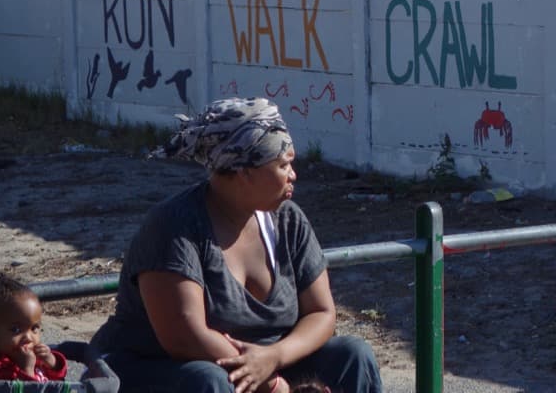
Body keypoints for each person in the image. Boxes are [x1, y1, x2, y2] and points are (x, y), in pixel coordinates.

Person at [90, 97, 381, 393]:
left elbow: (321, 313)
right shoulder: (174, 227)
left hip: (262, 364)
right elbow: (185, 338)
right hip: (160, 369)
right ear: (245, 172)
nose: (293, 175)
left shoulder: (288, 219)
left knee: (351, 356)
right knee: (211, 381)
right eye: (283, 165)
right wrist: (271, 383)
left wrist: (273, 358)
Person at [0, 273, 69, 382]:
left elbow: (57, 382)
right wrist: (26, 370)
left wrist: (52, 362)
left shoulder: (30, 357)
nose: (28, 337)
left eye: (34, 328)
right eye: (16, 330)